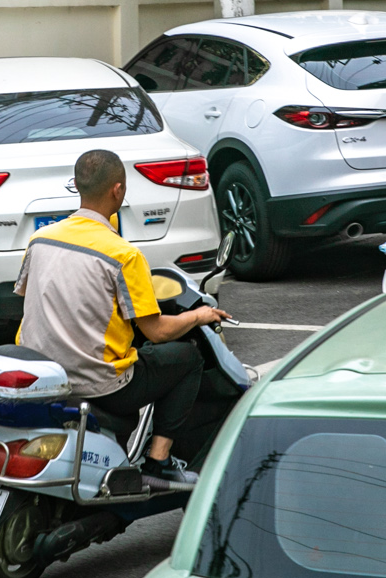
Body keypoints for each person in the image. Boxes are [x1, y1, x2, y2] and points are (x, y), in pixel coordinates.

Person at [12, 148, 229, 487]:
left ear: (77, 186)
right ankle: (159, 460)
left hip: (42, 376)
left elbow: (32, 297)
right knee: (188, 357)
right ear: (118, 190)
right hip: (100, 386)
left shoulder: (40, 239)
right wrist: (198, 316)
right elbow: (156, 332)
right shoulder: (123, 255)